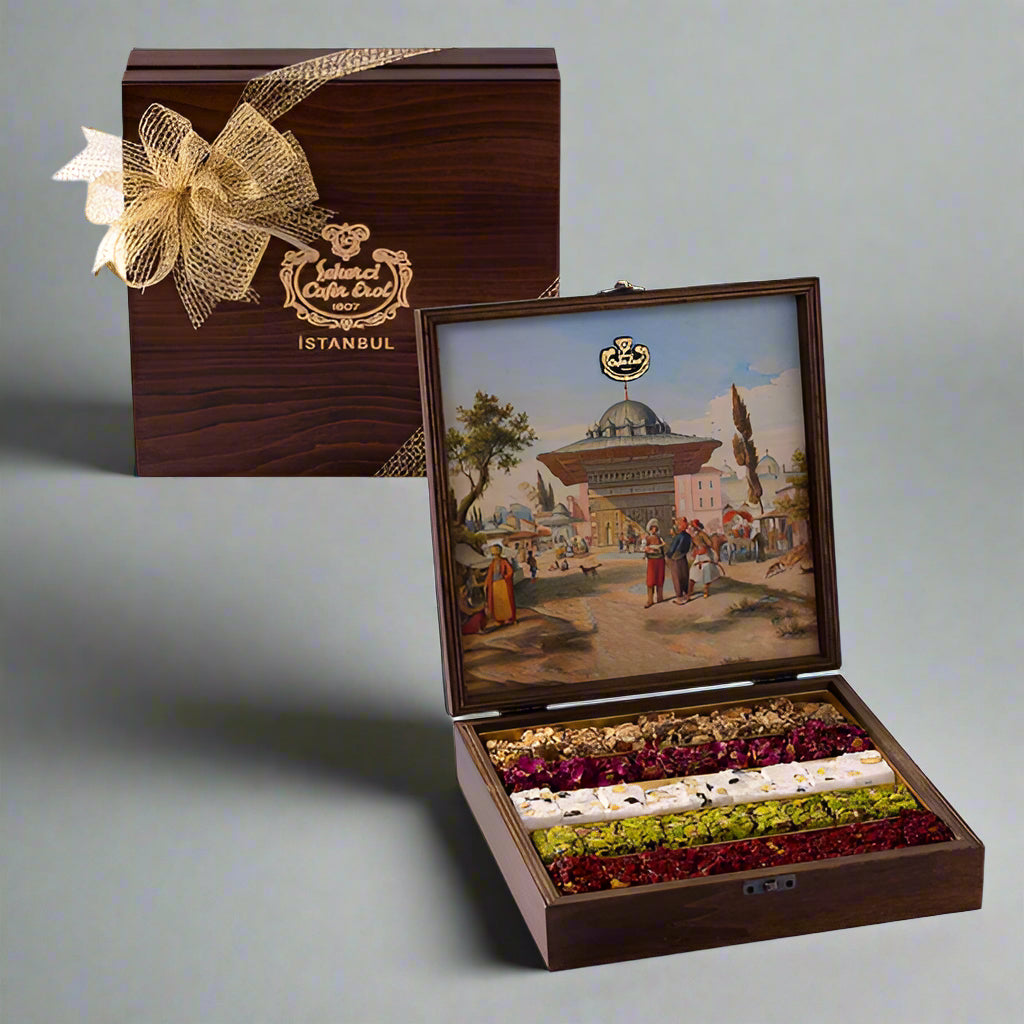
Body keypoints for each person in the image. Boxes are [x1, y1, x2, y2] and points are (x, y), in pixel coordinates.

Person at [682, 520, 724, 602]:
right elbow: (693, 546)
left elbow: (709, 543)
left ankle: (706, 591)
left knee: (706, 574)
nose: (691, 528)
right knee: (692, 573)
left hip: (706, 556)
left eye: (693, 526)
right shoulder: (692, 536)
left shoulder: (702, 534)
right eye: (691, 527)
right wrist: (694, 551)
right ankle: (689, 593)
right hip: (698, 556)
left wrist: (703, 548)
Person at [484, 543, 517, 627]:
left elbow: (510, 571)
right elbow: (489, 575)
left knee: (505, 602)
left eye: (495, 549)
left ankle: (509, 618)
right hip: (494, 585)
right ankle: (499, 620)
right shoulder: (492, 563)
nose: (493, 551)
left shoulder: (504, 561)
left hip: (503, 584)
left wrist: (505, 577)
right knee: (497, 603)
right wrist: (486, 584)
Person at [641, 518, 667, 608]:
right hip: (652, 561)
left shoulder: (660, 538)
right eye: (653, 528)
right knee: (651, 580)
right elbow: (643, 548)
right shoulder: (647, 538)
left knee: (660, 578)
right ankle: (650, 600)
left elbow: (664, 548)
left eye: (655, 528)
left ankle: (660, 597)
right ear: (650, 529)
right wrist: (649, 549)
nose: (654, 530)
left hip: (660, 560)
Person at [666, 517, 692, 603]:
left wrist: (668, 555)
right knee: (684, 576)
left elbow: (672, 549)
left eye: (678, 525)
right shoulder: (688, 536)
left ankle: (679, 597)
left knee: (677, 578)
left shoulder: (678, 536)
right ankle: (686, 594)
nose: (677, 527)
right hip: (683, 557)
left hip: (675, 558)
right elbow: (688, 548)